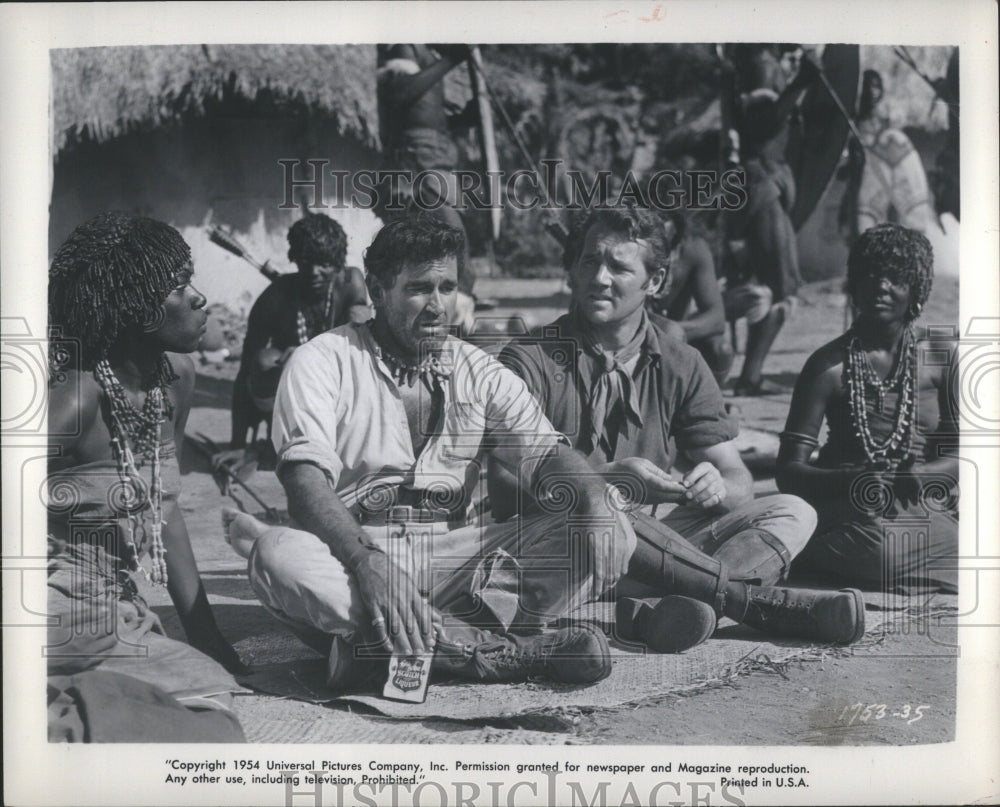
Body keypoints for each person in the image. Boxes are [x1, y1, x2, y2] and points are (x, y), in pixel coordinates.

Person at [225, 216, 637, 690]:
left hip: (458, 558)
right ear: (377, 291)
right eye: (421, 288)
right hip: (355, 554)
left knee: (600, 520)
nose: (438, 306)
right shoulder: (322, 361)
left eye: (448, 288)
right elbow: (304, 484)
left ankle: (388, 647)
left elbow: (544, 456)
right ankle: (498, 650)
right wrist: (367, 562)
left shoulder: (477, 368)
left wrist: (594, 500)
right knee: (275, 553)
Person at [491, 205, 866, 652]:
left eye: (619, 266)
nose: (600, 277)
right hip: (569, 541)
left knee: (794, 511)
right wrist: (603, 487)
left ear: (655, 282)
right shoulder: (527, 358)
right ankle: (747, 601)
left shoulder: (681, 362)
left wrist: (717, 488)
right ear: (571, 269)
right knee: (603, 512)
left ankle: (676, 606)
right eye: (589, 261)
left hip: (662, 539)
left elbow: (737, 478)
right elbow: (502, 489)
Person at [46, 212, 245, 741]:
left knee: (213, 704)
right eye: (181, 286)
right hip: (53, 609)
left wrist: (207, 635)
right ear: (134, 307)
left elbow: (166, 508)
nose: (200, 298)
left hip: (112, 615)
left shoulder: (176, 380)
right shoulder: (75, 397)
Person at [777, 224, 957, 593]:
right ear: (855, 285)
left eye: (896, 278)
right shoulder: (827, 366)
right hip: (850, 507)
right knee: (883, 553)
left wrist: (922, 475)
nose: (882, 287)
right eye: (871, 276)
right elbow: (788, 471)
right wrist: (852, 479)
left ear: (918, 289)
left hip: (919, 502)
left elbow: (966, 452)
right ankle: (804, 550)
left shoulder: (940, 354)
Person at [227, 213, 370, 455]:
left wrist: (309, 354)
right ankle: (285, 438)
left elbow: (362, 340)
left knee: (363, 335)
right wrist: (237, 444)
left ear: (338, 263)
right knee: (263, 362)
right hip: (291, 392)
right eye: (306, 262)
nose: (314, 272)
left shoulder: (350, 282)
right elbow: (246, 373)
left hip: (335, 382)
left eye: (323, 264)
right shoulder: (275, 297)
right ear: (295, 260)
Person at [724, 57, 818, 396]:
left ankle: (751, 374)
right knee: (779, 289)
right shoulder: (759, 56)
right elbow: (762, 125)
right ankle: (746, 375)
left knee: (777, 288)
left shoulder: (772, 56)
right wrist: (799, 84)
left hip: (769, 189)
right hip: (759, 190)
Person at [376, 43, 479, 330]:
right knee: (442, 237)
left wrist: (461, 120)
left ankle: (451, 315)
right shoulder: (403, 46)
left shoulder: (426, 55)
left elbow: (420, 113)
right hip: (412, 163)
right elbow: (397, 95)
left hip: (433, 159)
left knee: (448, 242)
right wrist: (452, 59)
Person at [646, 212, 734, 385]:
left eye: (663, 218)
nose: (655, 225)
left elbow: (716, 318)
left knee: (720, 350)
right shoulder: (628, 248)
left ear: (677, 224)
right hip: (629, 340)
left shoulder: (692, 249)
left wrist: (676, 330)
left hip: (675, 338)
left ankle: (705, 406)